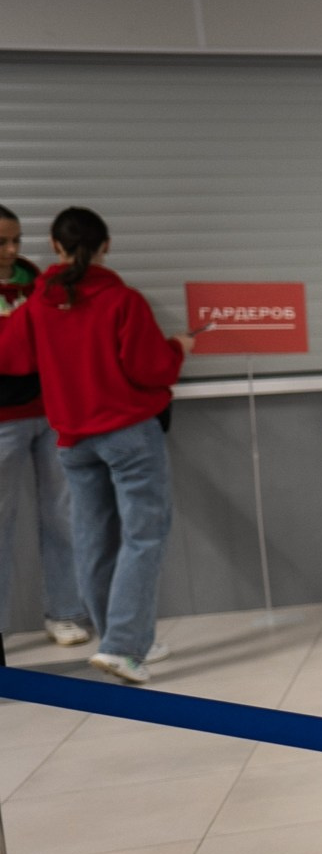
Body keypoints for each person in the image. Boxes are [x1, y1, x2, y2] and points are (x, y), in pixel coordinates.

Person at [0, 208, 189, 684]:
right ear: (105, 245)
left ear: (55, 247)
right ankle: (123, 645)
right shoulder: (122, 301)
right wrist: (178, 348)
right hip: (128, 434)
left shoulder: (39, 303)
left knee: (92, 541)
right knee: (144, 534)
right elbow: (152, 369)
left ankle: (116, 641)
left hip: (72, 438)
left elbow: (12, 356)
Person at [0, 206, 92, 649]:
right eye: (2, 243)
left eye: (16, 240)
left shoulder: (36, 280)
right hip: (2, 421)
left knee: (62, 515)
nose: (12, 250)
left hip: (49, 413)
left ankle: (66, 611)